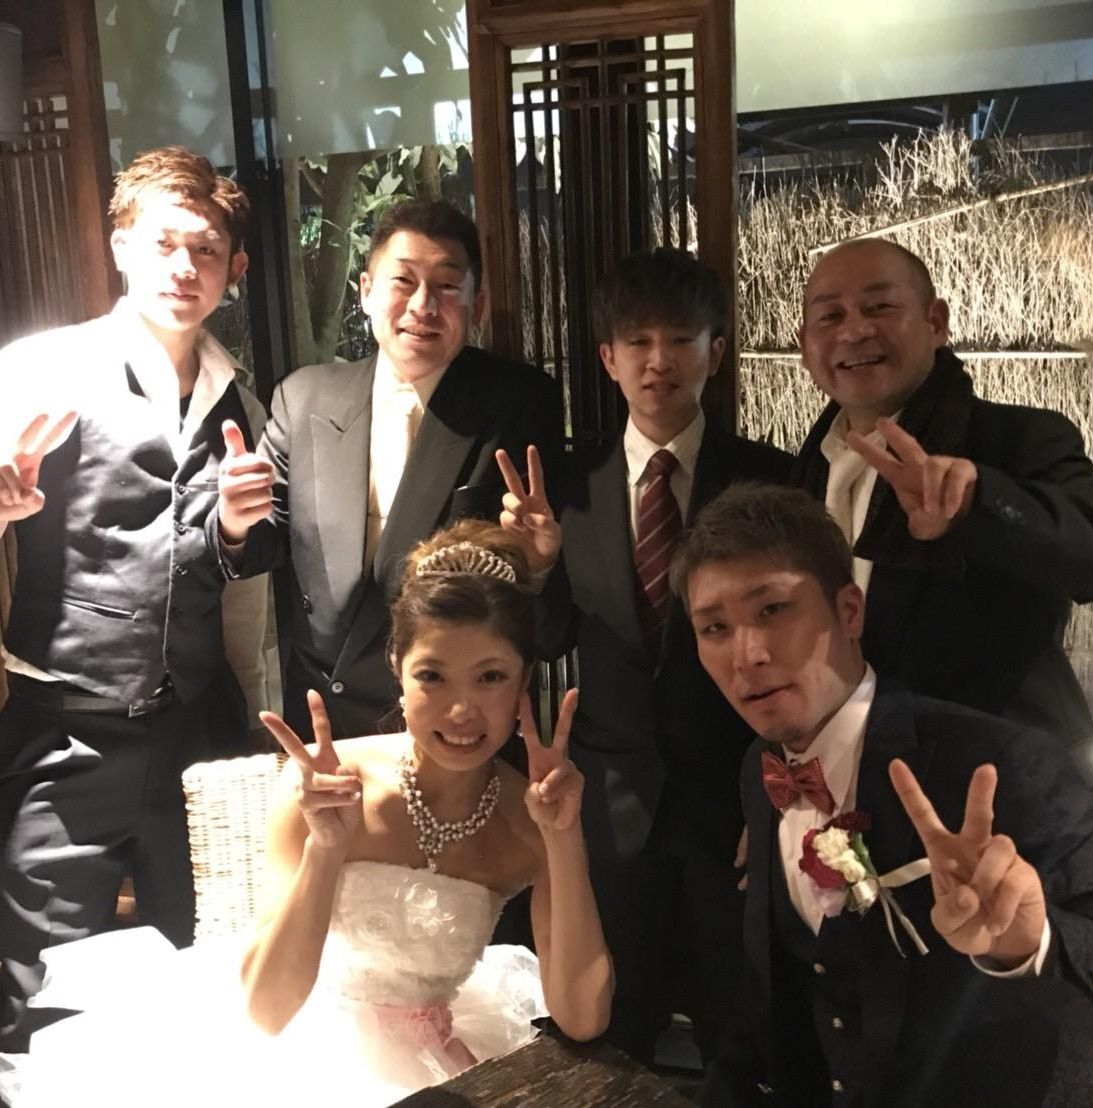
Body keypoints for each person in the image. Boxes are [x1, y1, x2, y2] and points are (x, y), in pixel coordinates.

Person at [0, 521, 613, 1108]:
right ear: (397, 670)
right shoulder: (329, 783)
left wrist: (563, 839)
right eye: (433, 676)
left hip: (439, 1061)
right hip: (296, 1056)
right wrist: (325, 849)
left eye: (490, 677)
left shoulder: (531, 816)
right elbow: (267, 1010)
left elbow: (583, 1019)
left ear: (522, 683)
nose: (460, 711)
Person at [669, 483, 1093, 1106]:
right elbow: (772, 1011)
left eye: (772, 609)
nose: (748, 655)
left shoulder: (996, 765)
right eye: (714, 627)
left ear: (849, 612)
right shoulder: (759, 770)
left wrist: (1029, 943)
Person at [0, 146, 269, 1052]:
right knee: (40, 994)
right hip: (65, 733)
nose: (183, 267)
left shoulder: (239, 396)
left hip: (194, 729)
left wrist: (233, 533)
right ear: (120, 247)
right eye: (162, 244)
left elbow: (234, 582)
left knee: (209, 973)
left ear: (234, 268)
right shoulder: (39, 369)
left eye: (206, 250)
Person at [506, 248, 792, 1064]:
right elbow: (549, 640)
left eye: (679, 339)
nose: (658, 360)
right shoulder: (565, 486)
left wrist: (776, 792)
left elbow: (794, 654)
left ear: (716, 350)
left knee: (745, 1030)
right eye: (637, 341)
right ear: (608, 358)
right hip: (609, 805)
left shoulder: (770, 480)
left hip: (733, 804)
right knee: (609, 1031)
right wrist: (538, 568)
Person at [791, 238, 1093, 806]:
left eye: (879, 307)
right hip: (857, 795)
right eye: (830, 316)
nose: (855, 330)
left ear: (936, 322)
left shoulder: (1013, 440)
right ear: (805, 345)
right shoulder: (802, 475)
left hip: (1011, 801)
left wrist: (976, 504)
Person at [213, 199, 564, 741]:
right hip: (325, 719)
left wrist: (537, 564)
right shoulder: (303, 398)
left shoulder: (518, 403)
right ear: (365, 292)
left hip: (456, 721)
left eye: (447, 285)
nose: (423, 305)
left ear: (478, 306)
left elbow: (544, 609)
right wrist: (234, 521)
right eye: (403, 281)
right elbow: (263, 546)